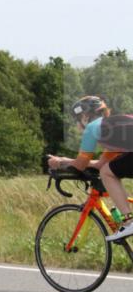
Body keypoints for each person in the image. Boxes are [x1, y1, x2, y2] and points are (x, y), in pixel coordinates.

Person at [47, 95, 133, 241]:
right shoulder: (112, 128)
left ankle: (129, 221)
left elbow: (81, 164)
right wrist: (68, 161)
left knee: (107, 173)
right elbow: (99, 164)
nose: (77, 124)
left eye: (77, 119)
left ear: (85, 116)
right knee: (107, 169)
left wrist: (61, 161)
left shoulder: (93, 128)